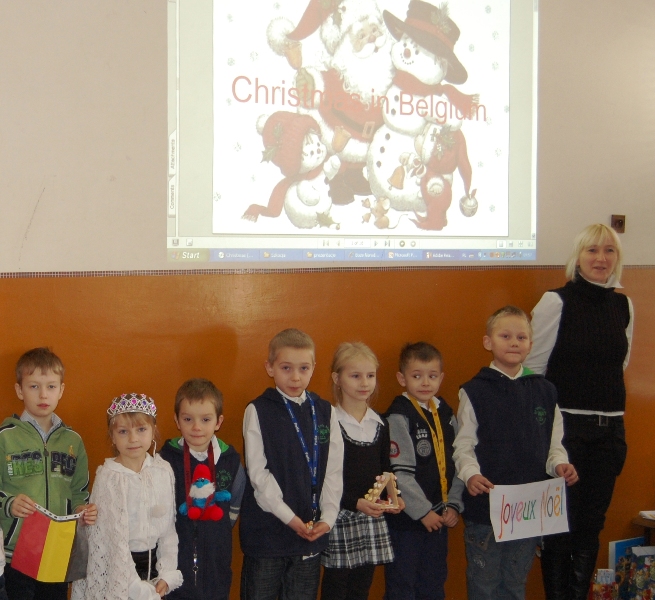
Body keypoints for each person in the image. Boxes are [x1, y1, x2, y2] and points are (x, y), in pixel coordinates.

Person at [524, 223, 634, 600]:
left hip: (609, 434)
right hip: (566, 433)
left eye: (609, 250)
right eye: (592, 250)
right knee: (559, 527)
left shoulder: (623, 306)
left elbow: (619, 365)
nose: (601, 258)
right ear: (578, 257)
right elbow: (532, 371)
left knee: (590, 528)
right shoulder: (555, 302)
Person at [454, 306, 578, 600]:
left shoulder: (545, 391)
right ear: (488, 342)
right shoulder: (474, 391)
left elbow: (554, 445)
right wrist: (471, 475)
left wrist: (560, 465)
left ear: (530, 344)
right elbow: (463, 445)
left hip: (528, 510)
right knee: (484, 585)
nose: (514, 342)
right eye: (505, 336)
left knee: (514, 584)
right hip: (486, 510)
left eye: (521, 337)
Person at [240, 328, 344, 600]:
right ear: (270, 368)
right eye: (286, 368)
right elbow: (258, 475)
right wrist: (289, 518)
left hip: (310, 534)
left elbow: (333, 471)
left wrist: (328, 518)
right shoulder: (258, 410)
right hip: (268, 535)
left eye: (303, 368)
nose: (296, 377)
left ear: (313, 368)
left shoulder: (325, 411)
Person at [0, 347, 96, 600]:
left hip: (57, 552)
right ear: (19, 390)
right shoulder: (5, 437)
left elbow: (79, 491)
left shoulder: (73, 441)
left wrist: (82, 510)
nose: (43, 394)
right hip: (15, 554)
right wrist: (9, 504)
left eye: (51, 387)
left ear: (61, 390)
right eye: (34, 386)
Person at [71, 393, 183, 600]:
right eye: (123, 431)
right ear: (113, 437)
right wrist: (137, 589)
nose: (133, 439)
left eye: (141, 429)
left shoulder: (163, 471)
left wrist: (166, 574)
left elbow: (168, 530)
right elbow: (113, 542)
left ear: (153, 431)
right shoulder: (109, 477)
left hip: (154, 571)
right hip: (120, 574)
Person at [321, 343, 404, 600]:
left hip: (370, 518)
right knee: (336, 587)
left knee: (361, 587)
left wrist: (394, 497)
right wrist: (353, 502)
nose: (364, 383)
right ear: (337, 378)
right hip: (340, 515)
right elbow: (324, 476)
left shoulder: (379, 423)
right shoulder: (329, 422)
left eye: (370, 375)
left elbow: (385, 469)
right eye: (355, 375)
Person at [384, 342, 464, 600]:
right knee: (402, 586)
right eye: (417, 376)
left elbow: (458, 463)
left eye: (432, 376)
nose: (425, 383)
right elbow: (399, 474)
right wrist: (423, 512)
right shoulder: (399, 415)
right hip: (407, 522)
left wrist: (453, 504)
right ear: (402, 378)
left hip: (439, 519)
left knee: (433, 584)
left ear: (441, 378)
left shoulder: (446, 413)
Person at [159, 378, 246, 600]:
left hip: (216, 559)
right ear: (177, 420)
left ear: (218, 421)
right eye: (188, 419)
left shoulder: (230, 460)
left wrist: (219, 529)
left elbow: (235, 501)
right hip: (176, 559)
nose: (196, 427)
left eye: (205, 419)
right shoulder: (165, 459)